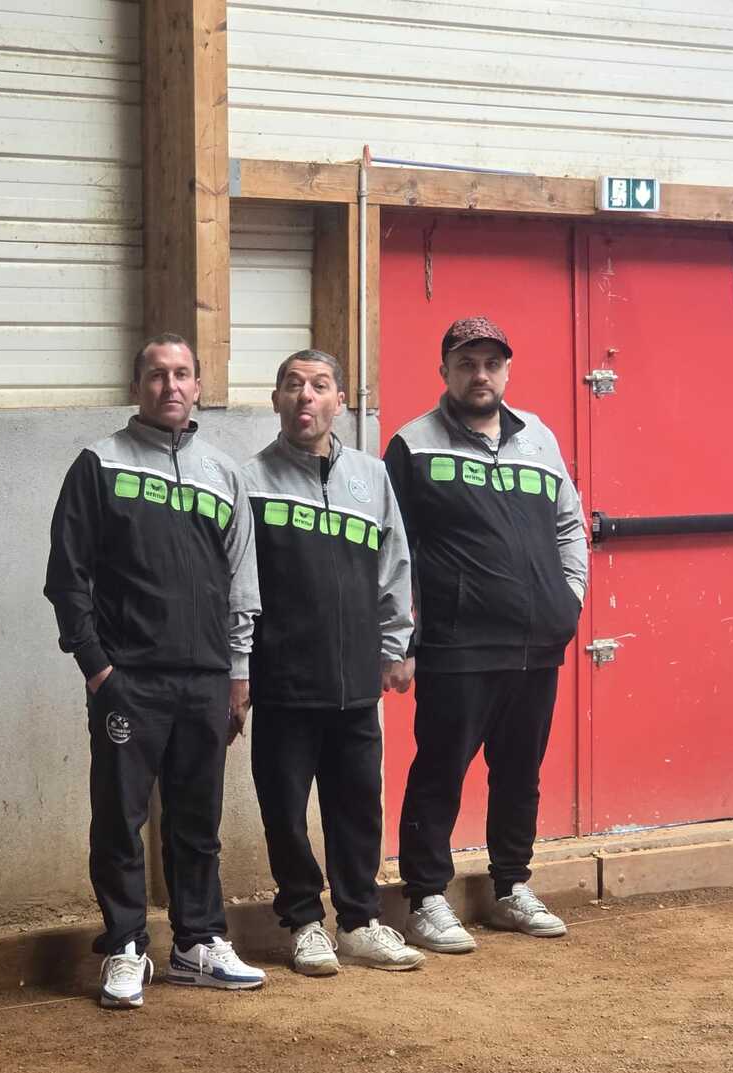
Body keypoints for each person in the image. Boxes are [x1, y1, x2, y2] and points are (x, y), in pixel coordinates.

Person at [44, 333, 265, 1006]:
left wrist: (237, 673)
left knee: (197, 821)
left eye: (182, 374)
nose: (171, 385)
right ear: (137, 386)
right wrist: (98, 670)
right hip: (129, 681)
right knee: (120, 818)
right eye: (158, 374)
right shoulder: (99, 463)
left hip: (205, 680)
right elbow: (67, 577)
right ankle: (125, 947)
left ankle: (198, 943)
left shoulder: (223, 474)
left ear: (198, 387)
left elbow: (242, 582)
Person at [384, 317, 588, 950]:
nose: (480, 375)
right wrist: (403, 639)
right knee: (440, 771)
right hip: (456, 645)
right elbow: (393, 549)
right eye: (467, 363)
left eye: (491, 364)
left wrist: (567, 602)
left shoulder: (540, 439)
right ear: (444, 370)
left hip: (536, 644)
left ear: (507, 370)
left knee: (520, 772)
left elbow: (569, 526)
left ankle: (511, 887)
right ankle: (426, 898)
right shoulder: (413, 445)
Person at [242, 349, 424, 975]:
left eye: (319, 386)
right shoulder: (249, 480)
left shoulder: (372, 477)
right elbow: (237, 582)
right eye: (293, 385)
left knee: (358, 807)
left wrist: (397, 645)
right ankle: (303, 922)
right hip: (283, 682)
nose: (305, 396)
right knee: (285, 811)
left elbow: (394, 565)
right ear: (276, 399)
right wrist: (240, 667)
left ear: (339, 402)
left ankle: (359, 921)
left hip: (355, 682)